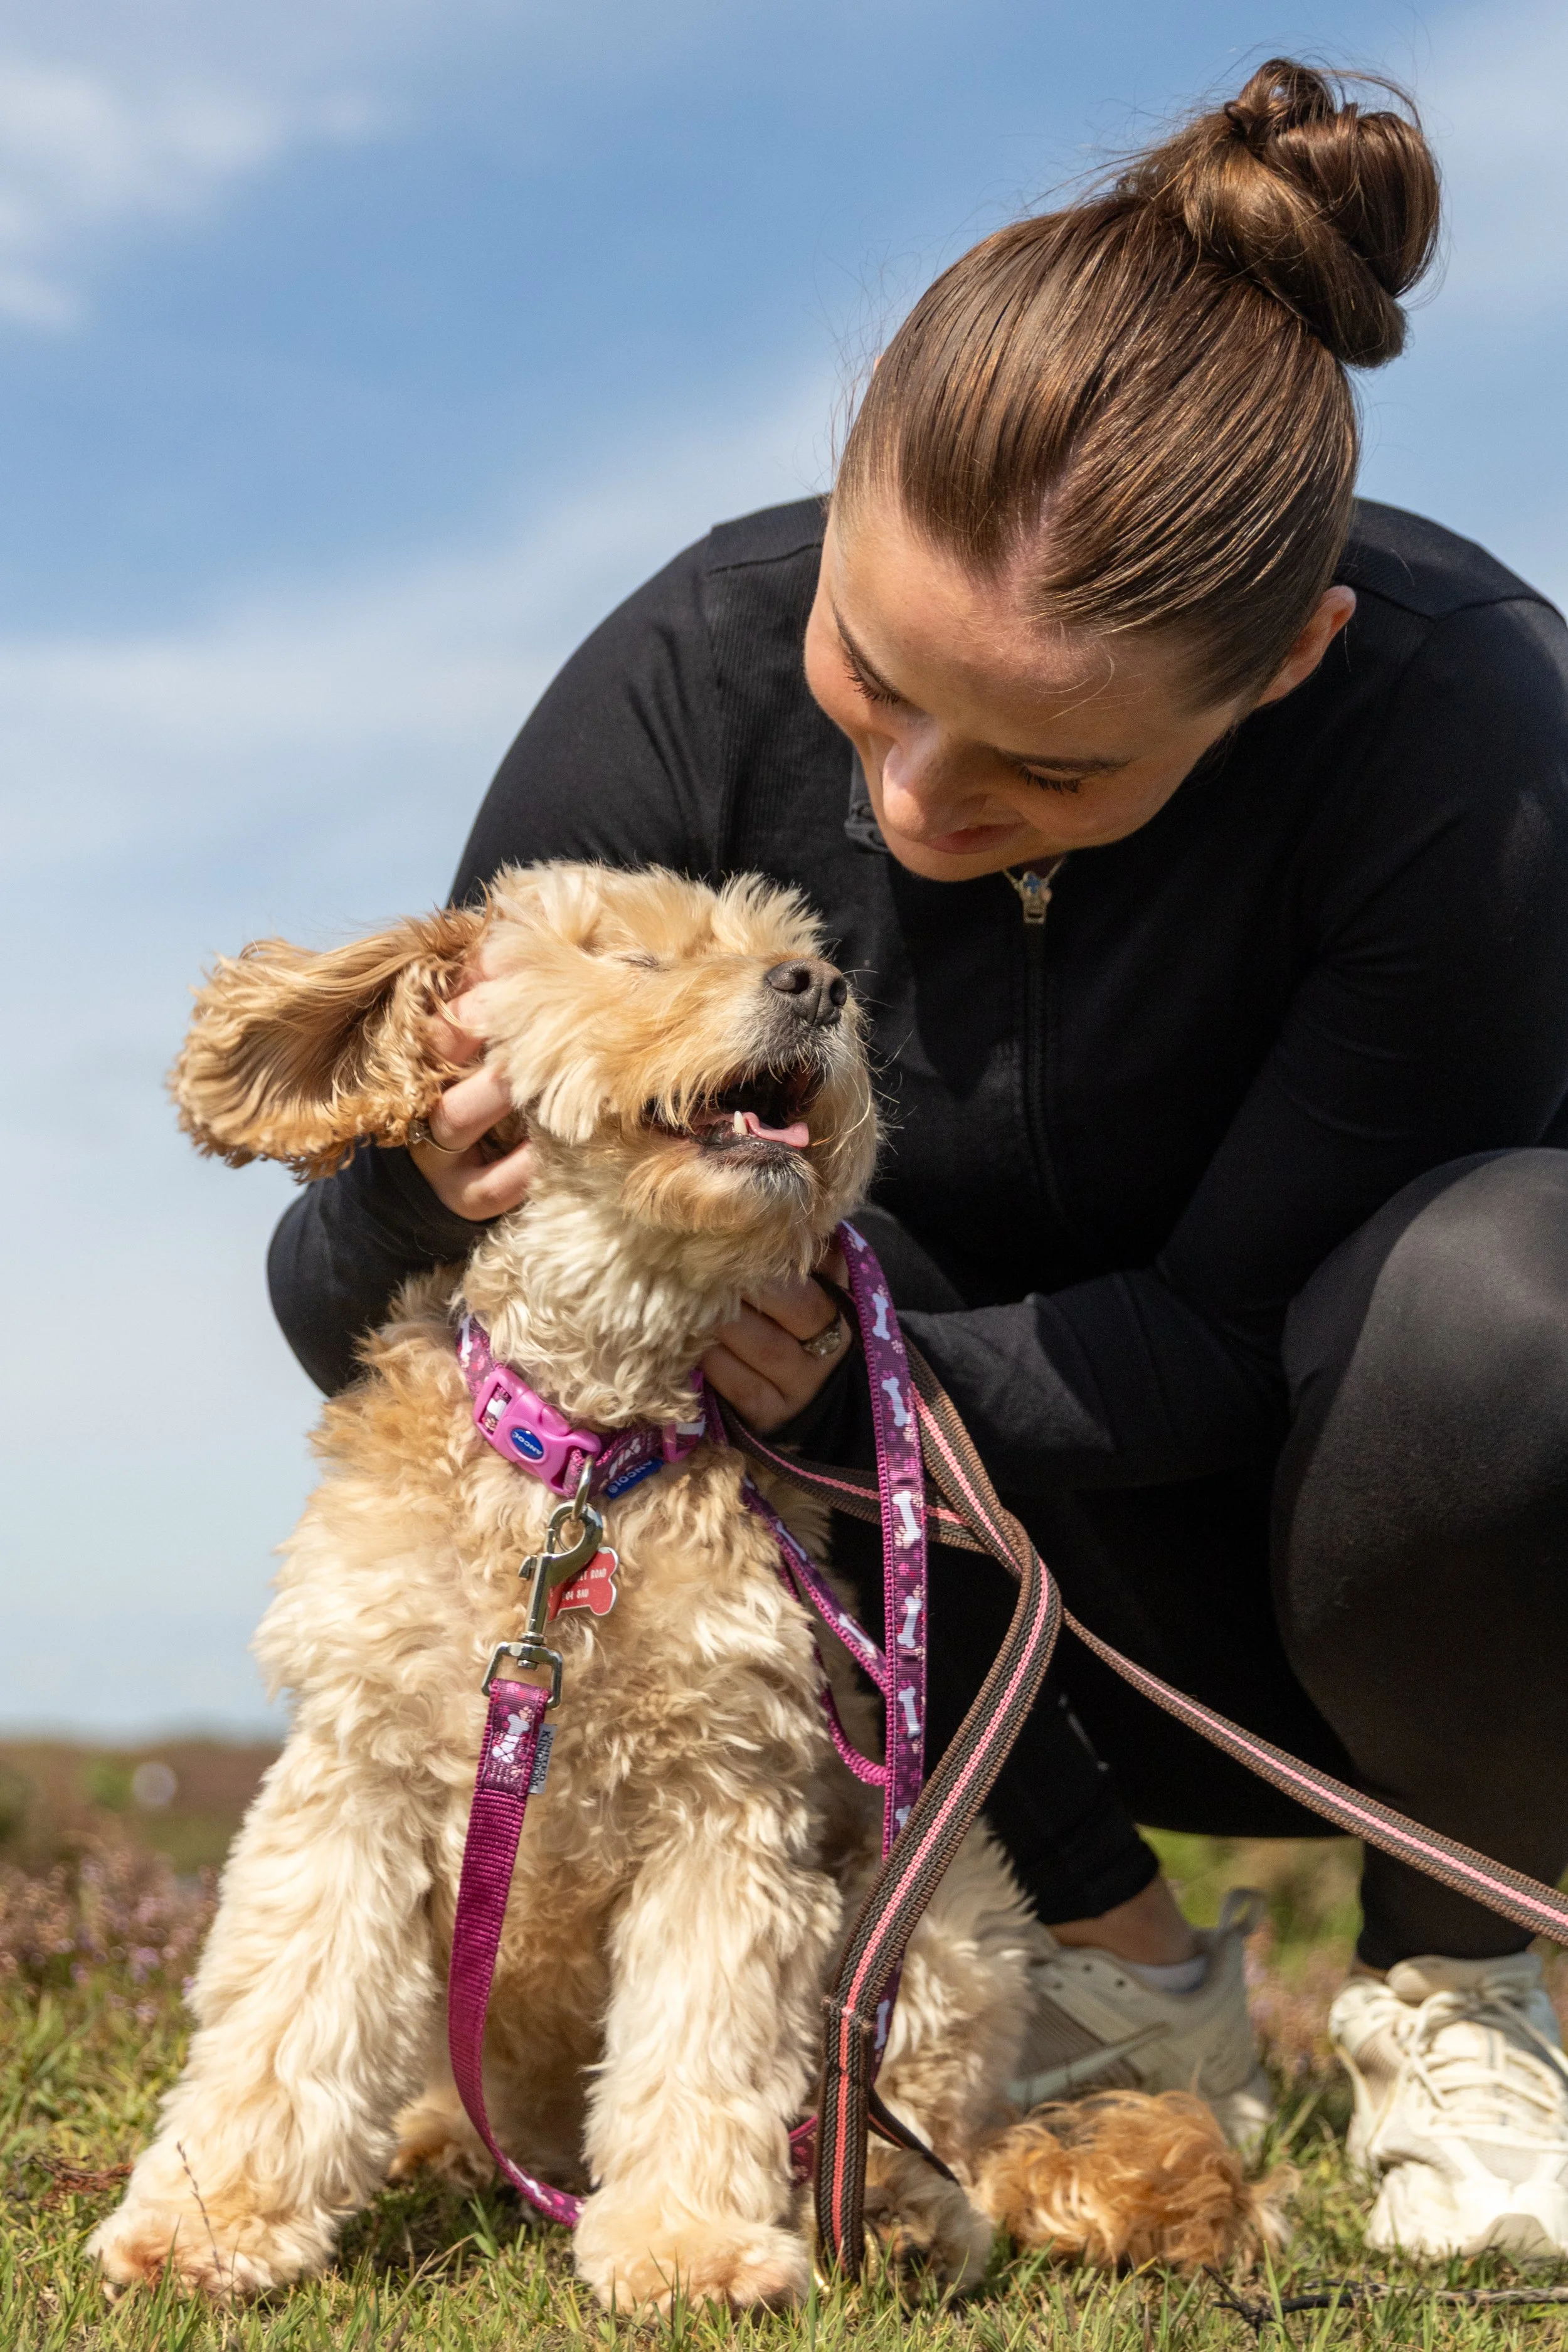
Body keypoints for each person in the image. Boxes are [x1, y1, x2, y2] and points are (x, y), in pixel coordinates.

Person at [269, 61, 1568, 2257]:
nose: (909, 804)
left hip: (1361, 1592)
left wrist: (894, 1379)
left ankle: (1467, 1974)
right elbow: (368, 1314)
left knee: (1512, 1307)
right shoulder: (683, 674)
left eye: (1047, 769)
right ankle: (1103, 1953)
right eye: (870, 678)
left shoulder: (1472, 736)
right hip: (912, 1663)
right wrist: (431, 1182)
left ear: (1283, 675)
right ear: (850, 454)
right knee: (726, 1243)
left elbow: (1242, 1338)